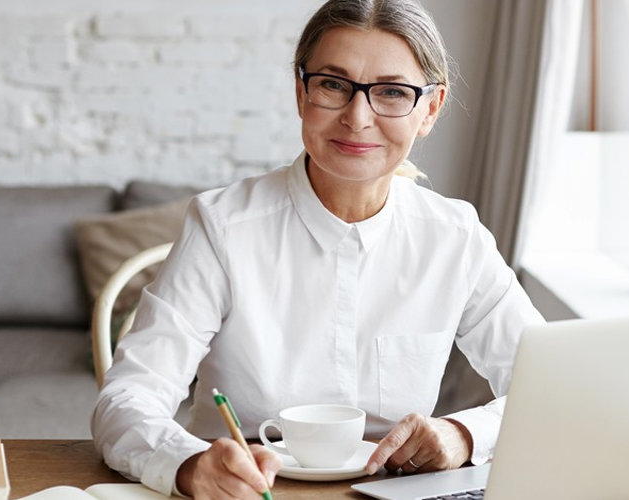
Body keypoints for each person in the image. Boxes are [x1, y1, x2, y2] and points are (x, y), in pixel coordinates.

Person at [91, 1, 543, 498]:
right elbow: (127, 399)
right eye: (333, 85)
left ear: (429, 110)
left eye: (392, 92)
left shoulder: (455, 237)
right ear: (301, 92)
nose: (358, 117)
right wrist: (192, 465)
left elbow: (551, 386)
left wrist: (463, 434)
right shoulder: (222, 226)